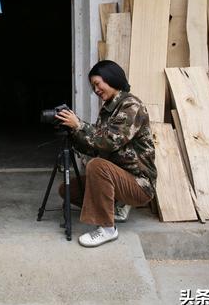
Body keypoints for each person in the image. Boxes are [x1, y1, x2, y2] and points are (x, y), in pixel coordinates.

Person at [55, 60, 156, 248]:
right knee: (67, 190)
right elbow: (95, 145)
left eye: (97, 84)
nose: (96, 90)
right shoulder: (108, 108)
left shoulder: (131, 106)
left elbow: (110, 141)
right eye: (93, 86)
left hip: (139, 183)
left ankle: (107, 228)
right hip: (118, 176)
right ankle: (116, 206)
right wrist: (74, 132)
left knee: (96, 166)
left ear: (111, 78)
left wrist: (79, 125)